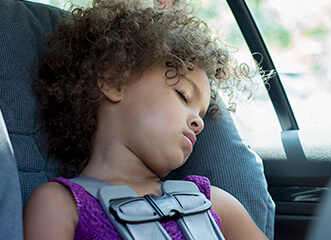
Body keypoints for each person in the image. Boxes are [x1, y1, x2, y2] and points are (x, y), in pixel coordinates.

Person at [23, 0, 268, 239]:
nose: (199, 123)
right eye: (183, 95)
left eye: (202, 115)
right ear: (114, 80)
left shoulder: (213, 203)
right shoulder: (60, 204)